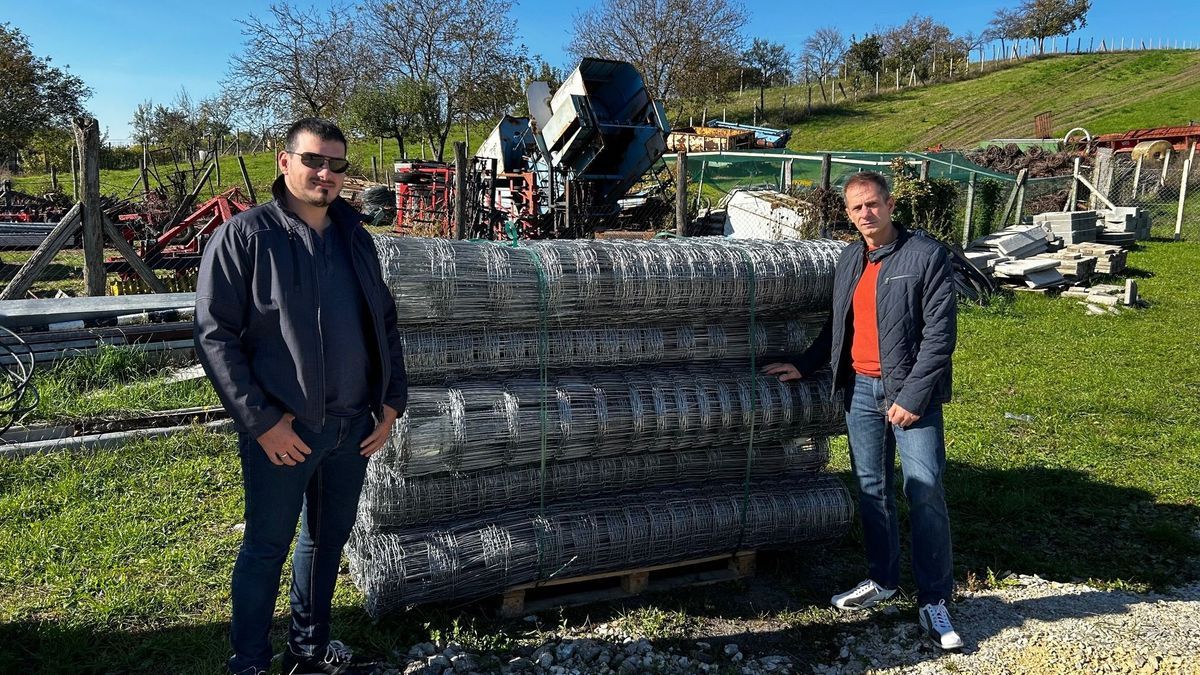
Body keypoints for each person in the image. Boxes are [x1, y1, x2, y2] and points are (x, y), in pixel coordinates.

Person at [196, 117, 408, 675]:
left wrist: (390, 403)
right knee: (266, 547)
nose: (326, 173)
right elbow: (215, 335)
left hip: (352, 428)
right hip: (284, 431)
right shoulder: (246, 236)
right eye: (314, 160)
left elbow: (383, 321)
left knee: (325, 545)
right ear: (284, 163)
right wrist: (262, 422)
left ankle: (308, 653)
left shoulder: (355, 238)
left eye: (337, 165)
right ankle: (249, 662)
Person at [762, 171, 961, 650]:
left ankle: (934, 599)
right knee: (872, 489)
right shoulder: (850, 258)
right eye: (856, 209)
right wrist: (805, 364)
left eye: (873, 205)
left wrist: (911, 399)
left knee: (926, 490)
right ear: (848, 215)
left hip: (911, 395)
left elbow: (939, 339)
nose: (866, 215)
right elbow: (838, 328)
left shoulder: (927, 257)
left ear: (890, 205)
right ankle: (882, 579)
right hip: (859, 392)